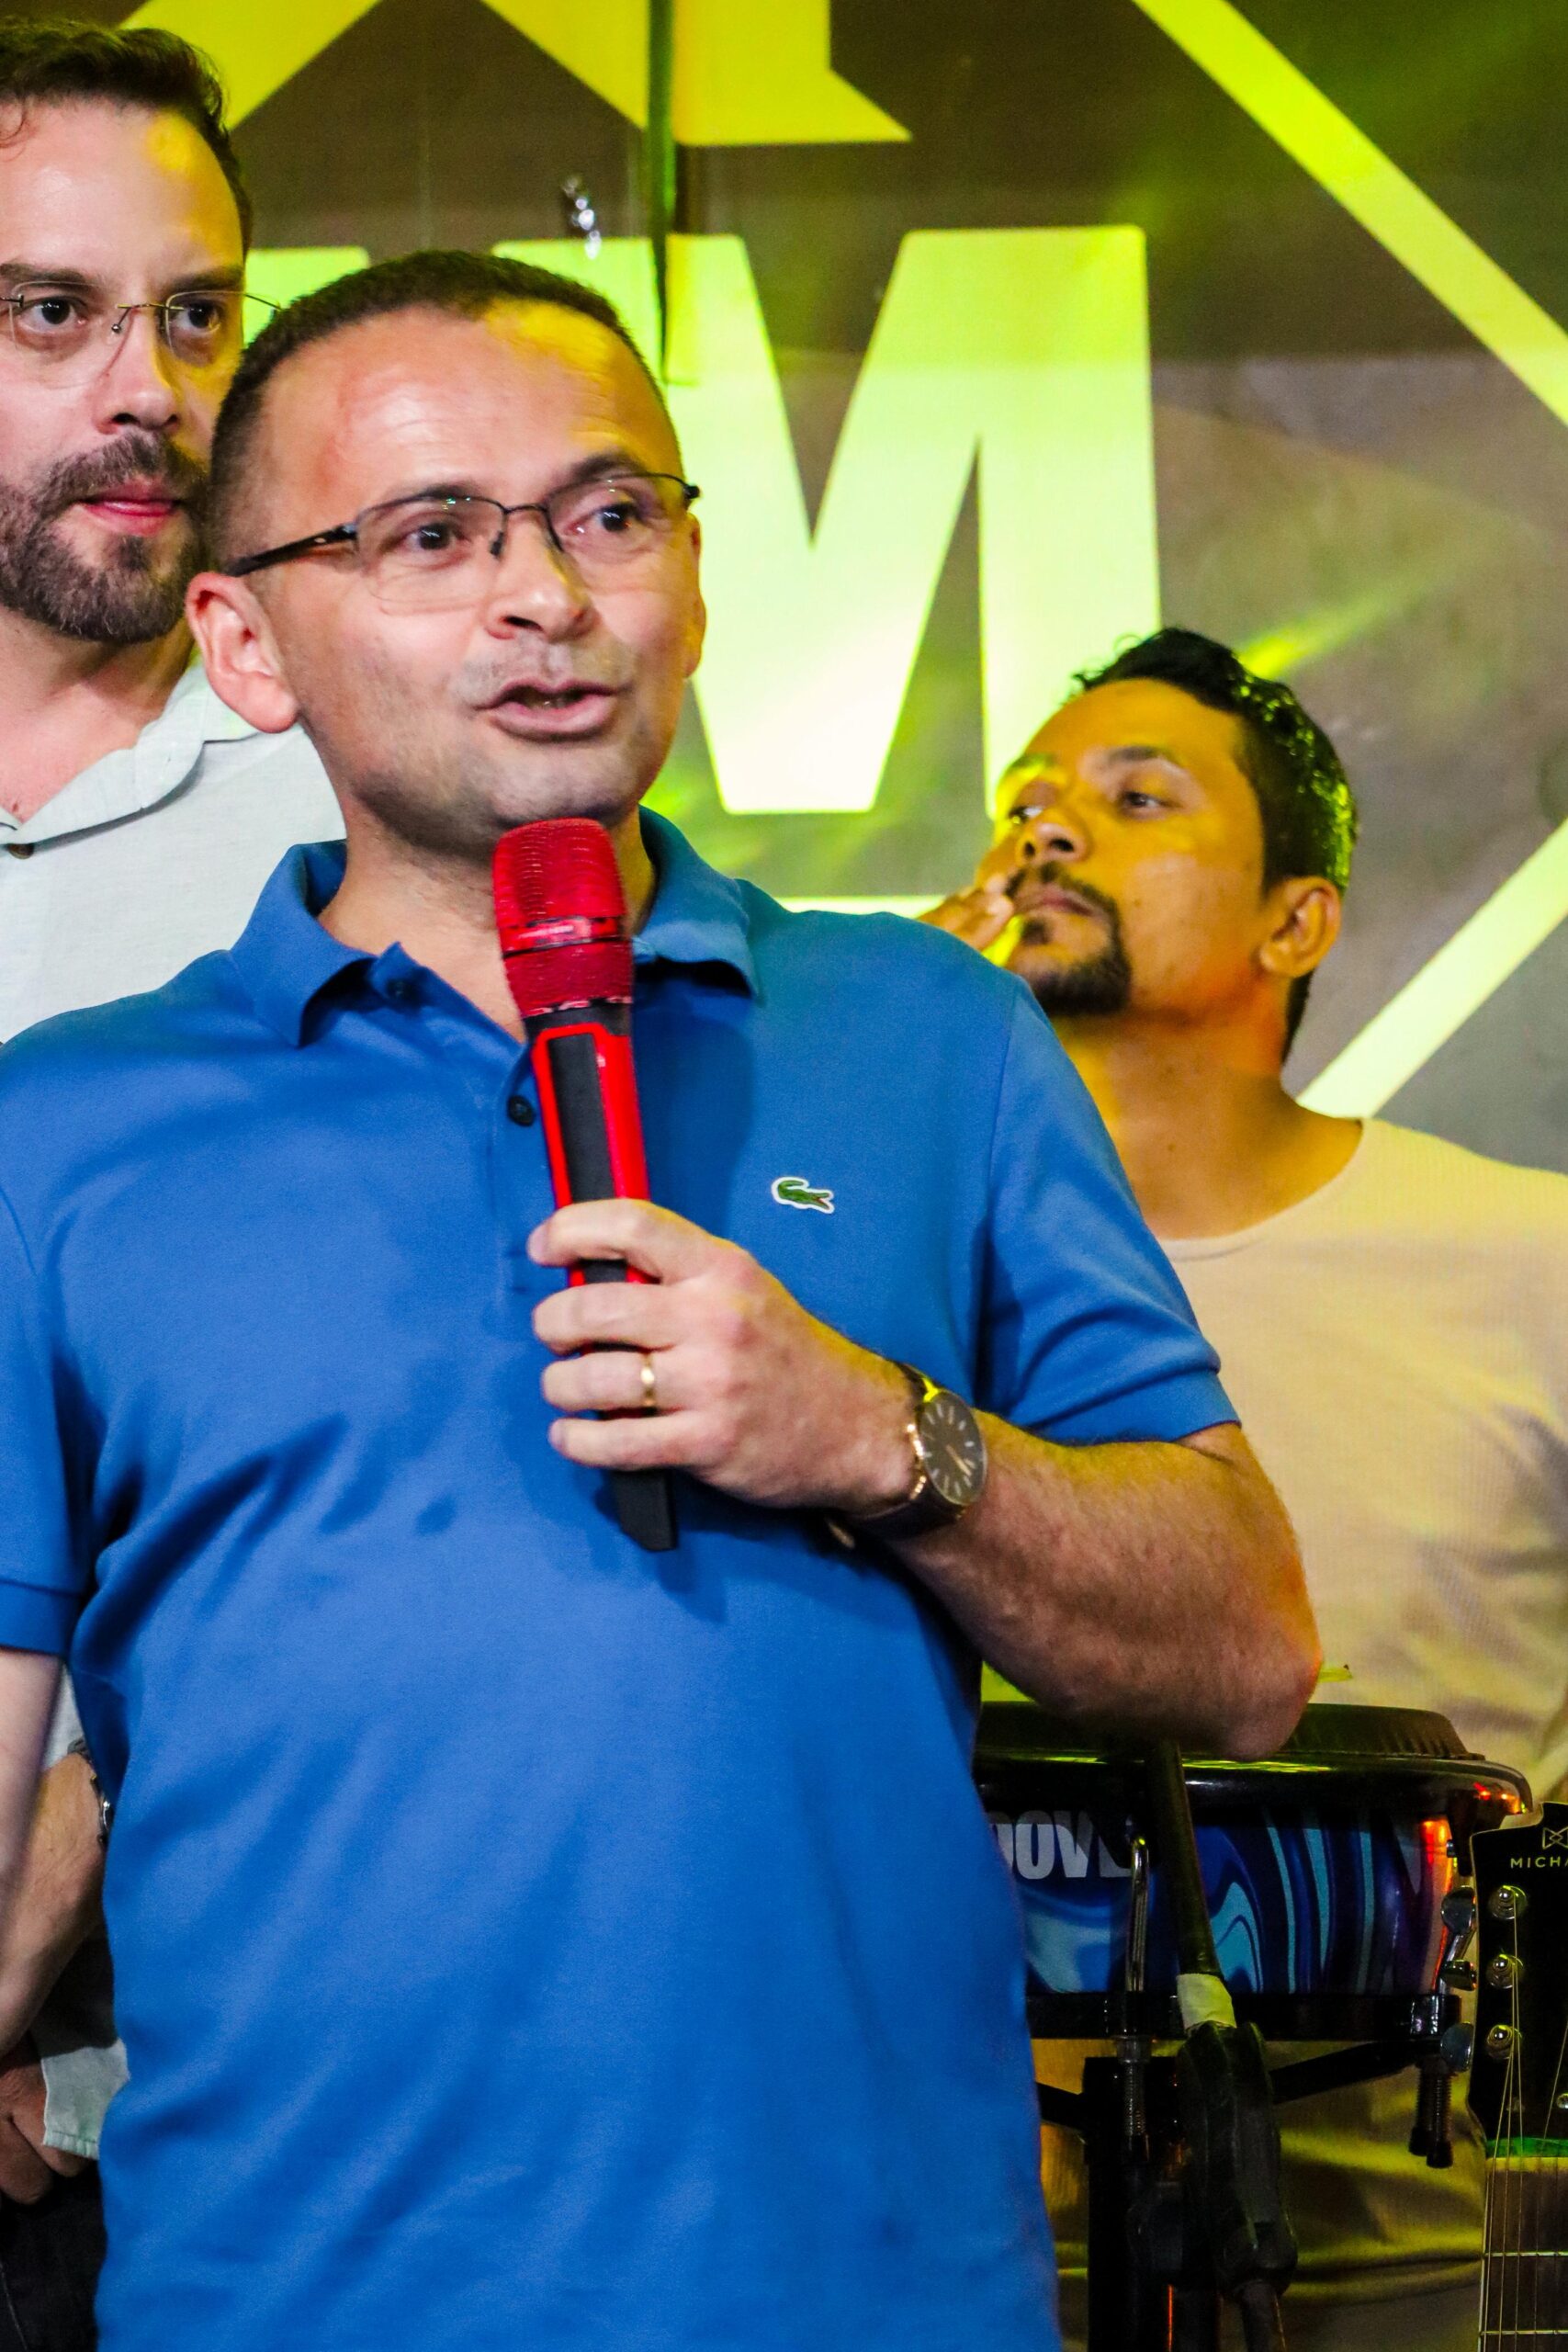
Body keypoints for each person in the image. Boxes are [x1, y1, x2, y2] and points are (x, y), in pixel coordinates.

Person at [0, 254, 1315, 2352]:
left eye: (609, 513)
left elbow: (1244, 1652)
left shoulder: (933, 1031)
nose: (545, 597)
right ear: (243, 641)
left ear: (694, 576)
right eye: (432, 535)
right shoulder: (62, 1130)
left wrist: (877, 1434)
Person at [925, 624, 1568, 2350]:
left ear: (1298, 922)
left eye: (1139, 798)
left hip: (1429, 2266)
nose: (1049, 829)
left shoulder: (1532, 1258)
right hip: (950, 2264)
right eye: (1027, 798)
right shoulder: (857, 1276)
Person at [0, 21, 339, 2347]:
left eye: (198, 315)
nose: (152, 389)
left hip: (190, 2104)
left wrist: (40, 1913)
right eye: (53, 314)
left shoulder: (364, 781)